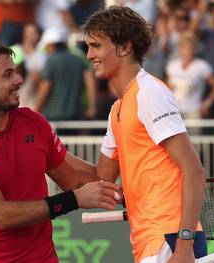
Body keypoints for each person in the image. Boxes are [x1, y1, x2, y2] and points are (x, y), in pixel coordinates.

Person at [0, 38, 120, 262]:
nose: (19, 80)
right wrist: (73, 200)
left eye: (16, 72)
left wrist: (122, 131)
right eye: (7, 75)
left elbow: (79, 181)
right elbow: (3, 215)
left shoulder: (33, 121)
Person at [84, 6, 206, 263]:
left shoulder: (150, 93)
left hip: (172, 240)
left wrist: (185, 245)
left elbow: (193, 169)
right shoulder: (118, 107)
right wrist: (51, 153)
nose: (89, 54)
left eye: (96, 46)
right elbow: (102, 178)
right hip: (150, 242)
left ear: (124, 47)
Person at [34, 27, 96, 121]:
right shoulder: (78, 59)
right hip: (75, 115)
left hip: (53, 116)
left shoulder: (51, 61)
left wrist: (36, 110)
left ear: (51, 45)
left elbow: (45, 87)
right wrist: (92, 107)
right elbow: (90, 82)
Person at [166, 32, 214, 125]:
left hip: (194, 112)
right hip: (175, 112)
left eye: (191, 47)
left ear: (195, 49)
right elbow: (167, 89)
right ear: (180, 49)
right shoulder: (173, 66)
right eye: (185, 47)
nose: (188, 50)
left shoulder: (202, 66)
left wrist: (206, 104)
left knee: (194, 139)